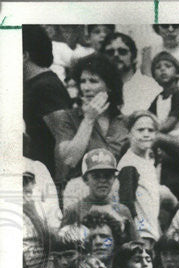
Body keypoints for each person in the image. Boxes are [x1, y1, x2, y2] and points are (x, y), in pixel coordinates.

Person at [49, 52, 129, 182]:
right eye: (82, 81)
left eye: (93, 81)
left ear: (109, 86)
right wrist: (89, 119)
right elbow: (69, 161)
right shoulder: (67, 117)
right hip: (79, 192)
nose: (86, 87)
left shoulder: (124, 122)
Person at [23, 25, 73, 178]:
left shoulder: (46, 87)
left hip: (46, 181)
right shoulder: (31, 84)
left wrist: (58, 189)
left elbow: (64, 140)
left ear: (24, 55)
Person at [60, 148, 140, 243]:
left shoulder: (122, 211)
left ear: (114, 179)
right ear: (86, 179)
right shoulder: (74, 210)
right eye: (96, 176)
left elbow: (136, 244)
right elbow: (62, 245)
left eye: (107, 176)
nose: (102, 181)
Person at [117, 111, 166, 243]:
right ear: (129, 134)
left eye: (150, 130)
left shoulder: (147, 161)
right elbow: (126, 206)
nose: (146, 134)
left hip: (152, 233)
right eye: (140, 130)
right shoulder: (129, 164)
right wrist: (136, 238)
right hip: (140, 236)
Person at [102, 31, 160, 116]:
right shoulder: (99, 86)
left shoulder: (149, 86)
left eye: (122, 51)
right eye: (110, 52)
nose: (116, 55)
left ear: (134, 57)